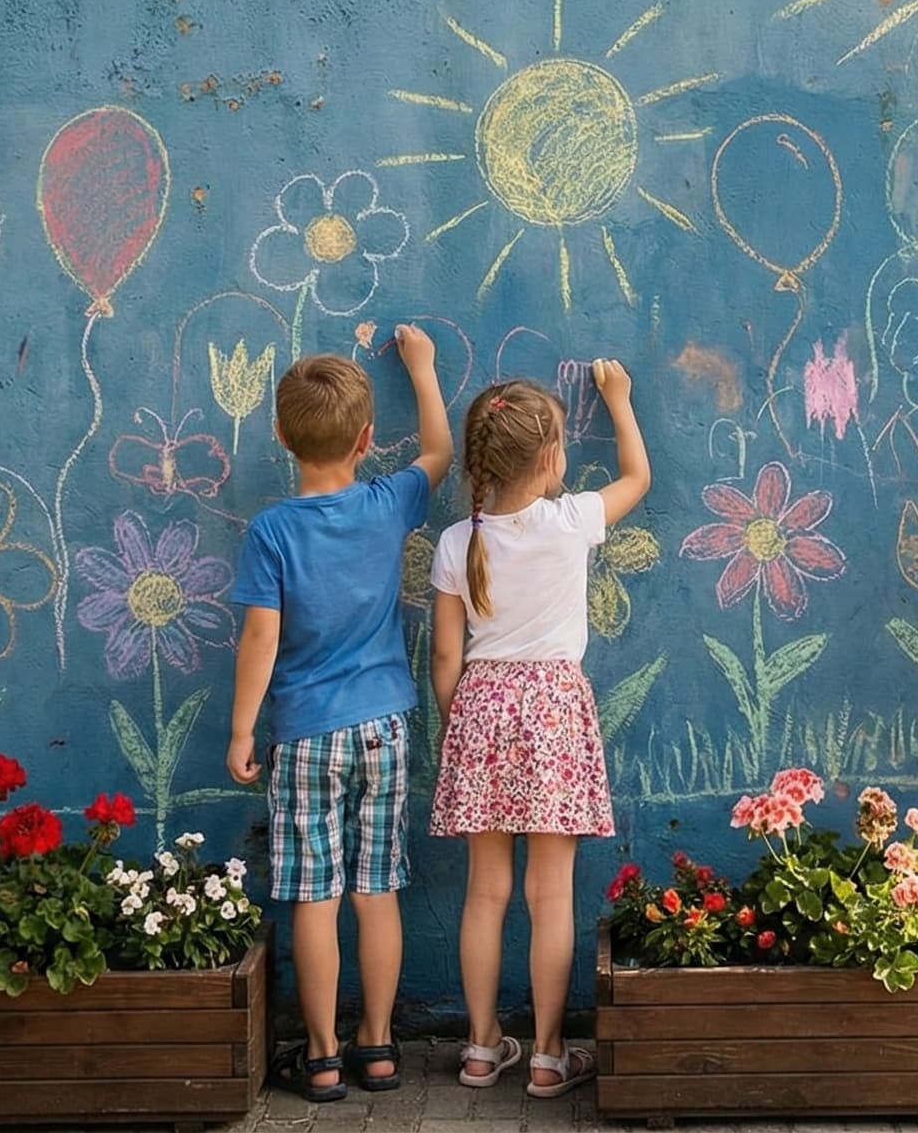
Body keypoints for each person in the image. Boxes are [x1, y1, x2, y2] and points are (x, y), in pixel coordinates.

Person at [227, 328, 452, 1102]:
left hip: (304, 734)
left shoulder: (272, 533)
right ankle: (379, 1045)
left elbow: (262, 636)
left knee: (314, 896)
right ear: (365, 439)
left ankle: (322, 1056)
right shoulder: (389, 503)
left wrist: (241, 728)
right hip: (384, 725)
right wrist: (423, 372)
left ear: (281, 436)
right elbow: (438, 454)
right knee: (376, 887)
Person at [428, 360, 649, 1098]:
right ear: (552, 457)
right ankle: (551, 1054)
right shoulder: (569, 522)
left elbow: (442, 657)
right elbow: (638, 480)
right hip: (553, 711)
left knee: (485, 893)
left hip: (481, 709)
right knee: (551, 895)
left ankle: (481, 1048)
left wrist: (459, 726)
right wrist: (619, 402)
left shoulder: (458, 542)